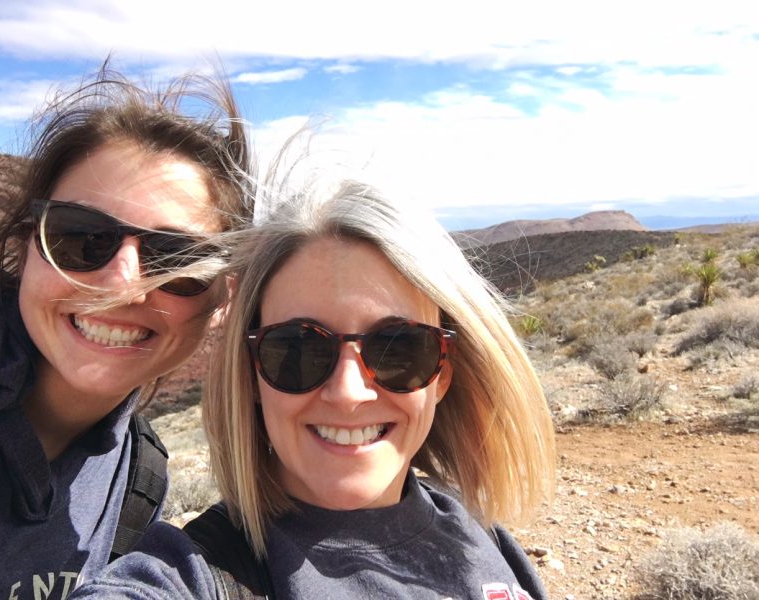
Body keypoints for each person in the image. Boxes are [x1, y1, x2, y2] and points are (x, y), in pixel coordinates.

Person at [71, 178, 556, 599]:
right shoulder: (193, 574)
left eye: (398, 348)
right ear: (252, 374)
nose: (348, 392)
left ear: (443, 373)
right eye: (299, 350)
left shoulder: (484, 535)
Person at [0, 64, 251, 599]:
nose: (123, 283)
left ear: (222, 299)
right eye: (81, 238)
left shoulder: (140, 478)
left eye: (177, 259)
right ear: (26, 249)